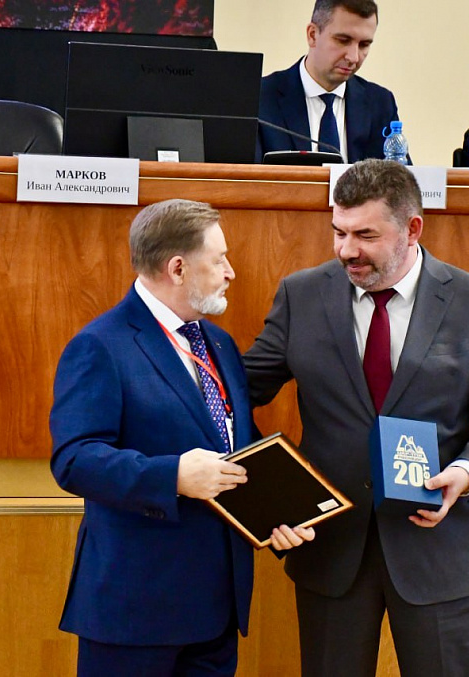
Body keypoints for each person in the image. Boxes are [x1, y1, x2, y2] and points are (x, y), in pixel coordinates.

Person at [243, 160, 469, 676]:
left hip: (436, 551)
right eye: (339, 232)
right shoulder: (301, 295)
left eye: (365, 235)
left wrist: (466, 474)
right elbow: (236, 393)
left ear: (412, 229)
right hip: (331, 550)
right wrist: (271, 492)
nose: (346, 250)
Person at [50, 199, 313, 677]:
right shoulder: (100, 345)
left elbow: (239, 448)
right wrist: (173, 476)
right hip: (136, 611)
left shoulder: (219, 344)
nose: (231, 273)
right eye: (219, 260)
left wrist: (279, 516)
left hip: (215, 610)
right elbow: (75, 459)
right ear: (177, 268)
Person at [256, 0, 401, 163]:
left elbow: (401, 176)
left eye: (364, 45)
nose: (353, 57)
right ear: (312, 35)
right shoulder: (259, 98)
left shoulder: (380, 104)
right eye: (343, 40)